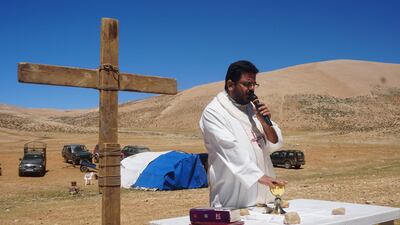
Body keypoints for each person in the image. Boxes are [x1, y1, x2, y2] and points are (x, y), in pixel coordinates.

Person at [199, 60, 287, 208]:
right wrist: (260, 177)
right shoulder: (214, 112)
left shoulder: (253, 109)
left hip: (263, 195)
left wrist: (266, 123)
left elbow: (274, 143)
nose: (252, 89)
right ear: (230, 85)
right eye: (247, 84)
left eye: (254, 84)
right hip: (233, 197)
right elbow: (229, 148)